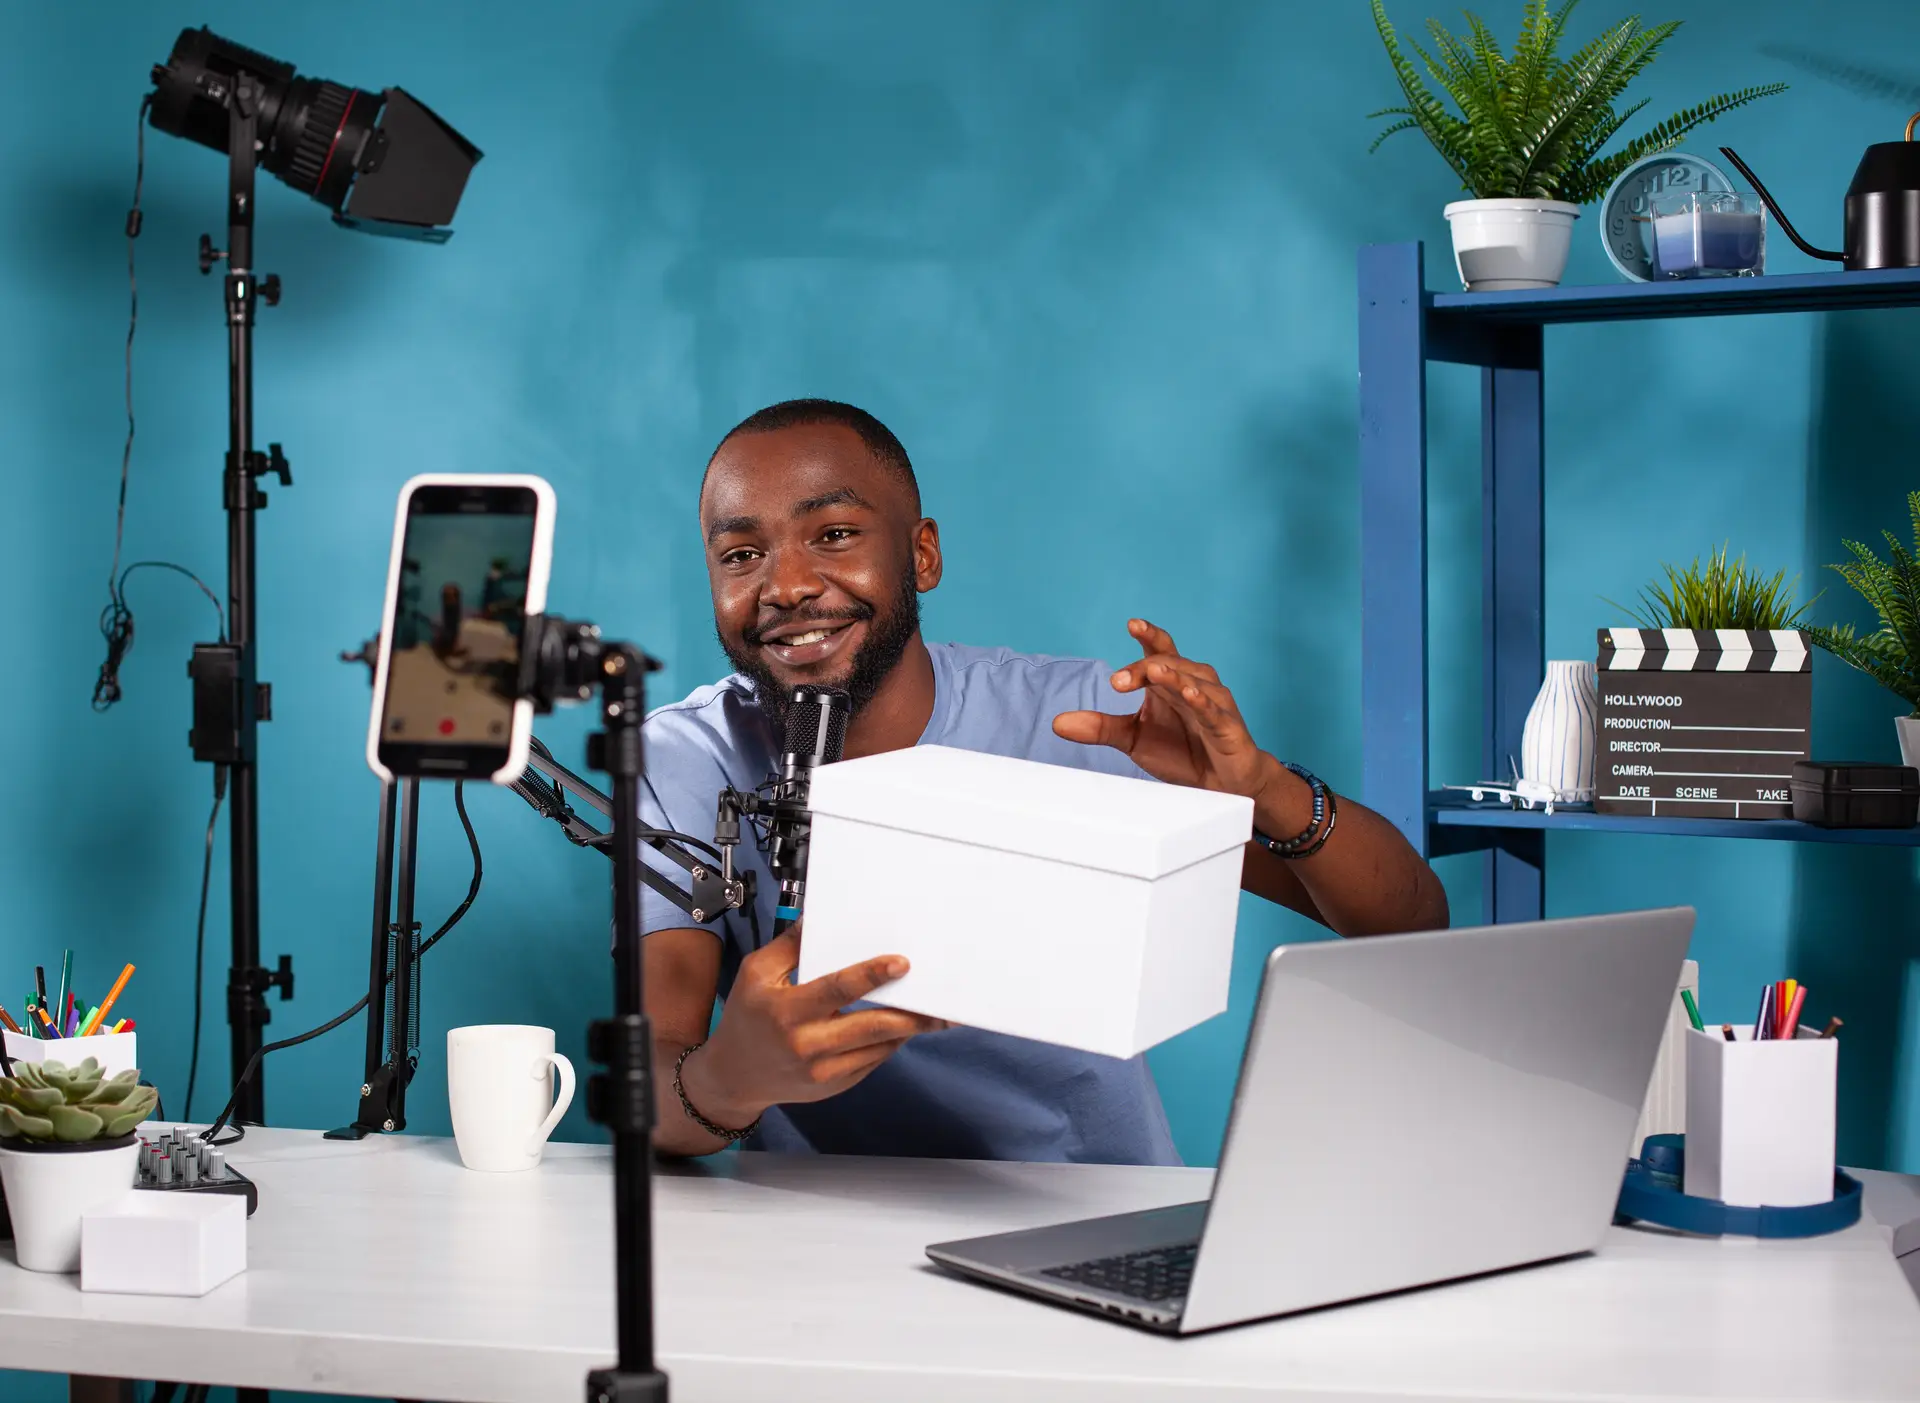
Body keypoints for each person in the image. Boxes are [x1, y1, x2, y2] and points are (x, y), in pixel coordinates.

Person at [641, 399, 1448, 1165]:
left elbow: (1408, 921)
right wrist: (728, 1077)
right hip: (817, 1239)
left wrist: (1263, 788)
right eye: (742, 554)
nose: (785, 586)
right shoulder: (689, 757)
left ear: (921, 554)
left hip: (1085, 1217)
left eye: (835, 533)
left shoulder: (1086, 720)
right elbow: (651, 1084)